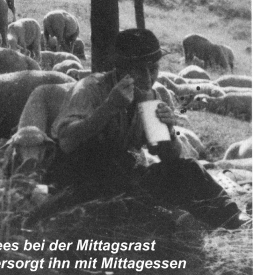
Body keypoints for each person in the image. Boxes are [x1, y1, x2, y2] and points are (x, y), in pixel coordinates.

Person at [29, 28, 247, 229]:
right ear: (121, 69)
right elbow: (67, 143)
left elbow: (169, 157)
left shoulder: (152, 97)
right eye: (139, 70)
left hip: (120, 177)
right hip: (78, 177)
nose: (148, 78)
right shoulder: (90, 89)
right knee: (119, 175)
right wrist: (109, 108)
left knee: (188, 169)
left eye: (153, 69)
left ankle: (233, 220)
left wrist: (169, 131)